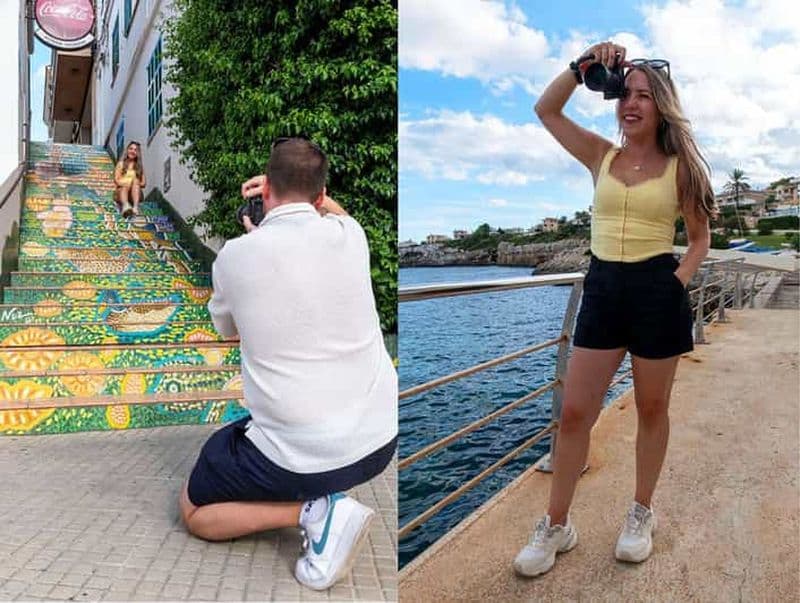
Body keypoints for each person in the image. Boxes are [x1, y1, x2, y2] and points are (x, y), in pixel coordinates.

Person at [513, 41, 715, 577]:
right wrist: (581, 68)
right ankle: (557, 523)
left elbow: (699, 238)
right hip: (603, 288)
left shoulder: (681, 169)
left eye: (645, 95)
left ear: (662, 106)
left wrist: (675, 284)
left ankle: (641, 512)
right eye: (626, 91)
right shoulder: (600, 155)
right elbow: (545, 110)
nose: (633, 102)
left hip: (656, 287)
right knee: (577, 412)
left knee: (652, 409)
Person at [179, 137, 398, 591]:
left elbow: (226, 330)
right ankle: (320, 499)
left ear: (265, 193)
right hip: (380, 441)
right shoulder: (351, 237)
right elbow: (332, 213)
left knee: (193, 511)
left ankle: (316, 512)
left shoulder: (234, 259)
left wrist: (257, 249)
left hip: (302, 455)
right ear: (320, 196)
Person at [114, 141, 146, 218]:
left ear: (138, 153)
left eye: (135, 150)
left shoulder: (139, 167)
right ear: (127, 150)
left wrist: (134, 182)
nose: (133, 151)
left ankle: (135, 207)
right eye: (131, 149)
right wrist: (128, 182)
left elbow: (143, 183)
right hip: (122, 191)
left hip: (135, 193)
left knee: (135, 181)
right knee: (124, 186)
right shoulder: (121, 164)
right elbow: (116, 180)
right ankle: (125, 206)